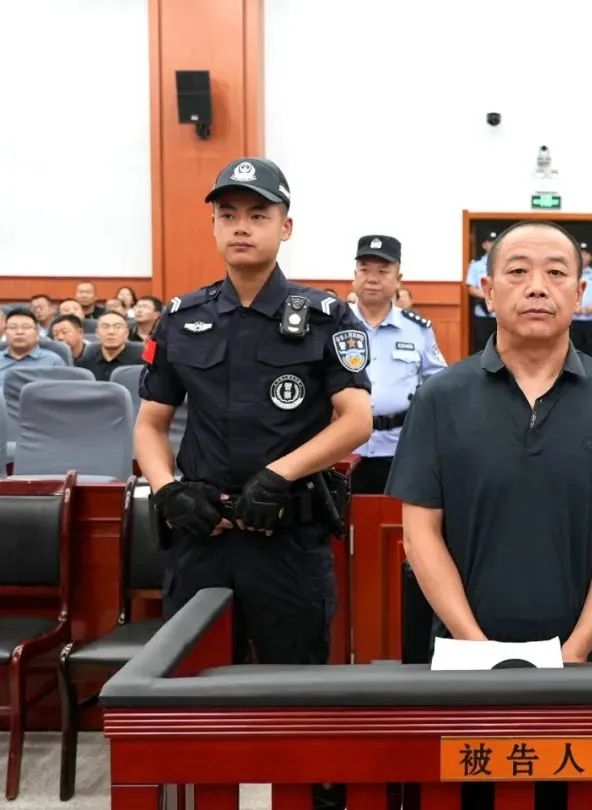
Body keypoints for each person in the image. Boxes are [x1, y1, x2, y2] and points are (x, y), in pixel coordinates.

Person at [134, 157, 372, 810]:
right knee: (190, 699)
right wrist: (167, 489)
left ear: (285, 227)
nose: (242, 227)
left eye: (258, 215)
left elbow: (355, 420)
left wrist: (279, 473)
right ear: (214, 226)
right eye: (228, 214)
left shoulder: (326, 316)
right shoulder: (181, 317)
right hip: (202, 538)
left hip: (286, 542)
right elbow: (150, 424)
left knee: (299, 701)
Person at [387, 219, 592, 670]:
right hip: (464, 657)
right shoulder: (439, 397)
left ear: (579, 293)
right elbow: (420, 533)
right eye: (518, 271)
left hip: (584, 661)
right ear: (488, 291)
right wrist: (477, 648)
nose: (537, 287)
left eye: (555, 273)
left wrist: (576, 650)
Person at [348, 235, 446, 494]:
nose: (372, 279)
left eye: (382, 271)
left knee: (395, 516)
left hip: (400, 449)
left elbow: (439, 382)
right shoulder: (335, 324)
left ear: (398, 279)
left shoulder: (417, 329)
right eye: (365, 270)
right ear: (354, 276)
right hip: (343, 448)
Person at [0, 306, 65, 386]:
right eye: (13, 327)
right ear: (5, 332)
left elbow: (64, 391)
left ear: (37, 333)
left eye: (26, 327)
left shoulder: (54, 361)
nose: (19, 332)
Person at [76, 311, 144, 381]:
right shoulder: (84, 363)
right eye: (105, 327)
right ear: (97, 333)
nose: (111, 332)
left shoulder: (141, 364)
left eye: (118, 327)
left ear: (126, 333)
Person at [465, 230, 498, 353]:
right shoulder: (476, 266)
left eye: (496, 242)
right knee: (482, 348)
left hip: (501, 313)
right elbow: (471, 288)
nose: (493, 244)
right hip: (483, 313)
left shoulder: (506, 264)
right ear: (484, 245)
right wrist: (489, 296)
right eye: (490, 242)